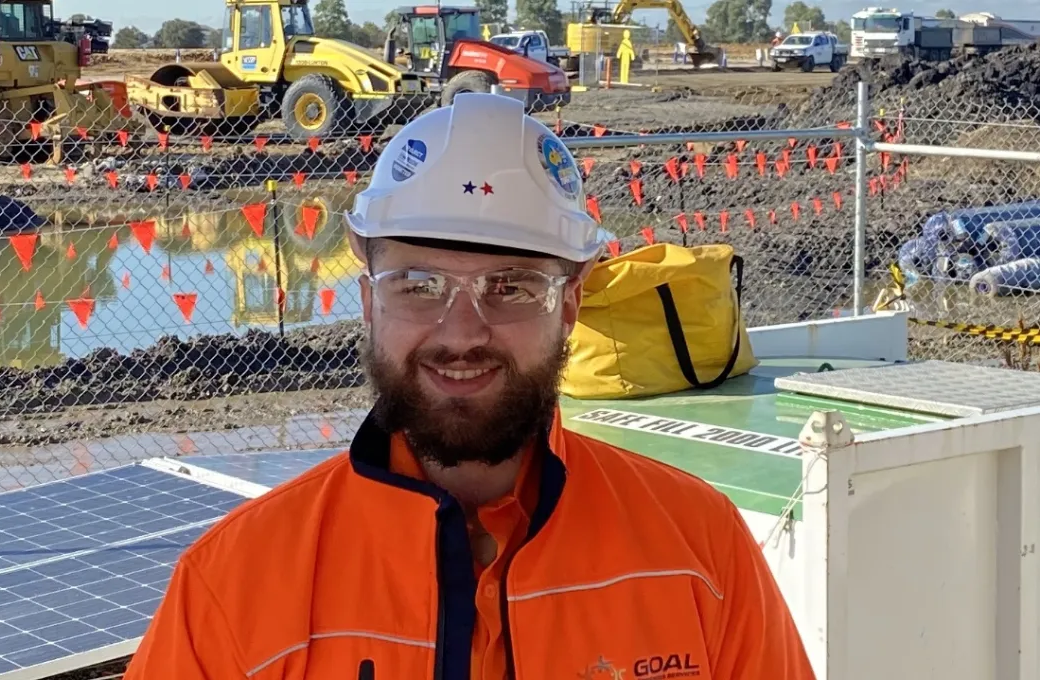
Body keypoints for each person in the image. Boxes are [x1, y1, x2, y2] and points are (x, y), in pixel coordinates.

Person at [123, 93, 815, 680]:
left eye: (511, 287)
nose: (462, 333)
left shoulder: (698, 549)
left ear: (571, 304)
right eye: (418, 286)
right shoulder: (234, 585)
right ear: (368, 301)